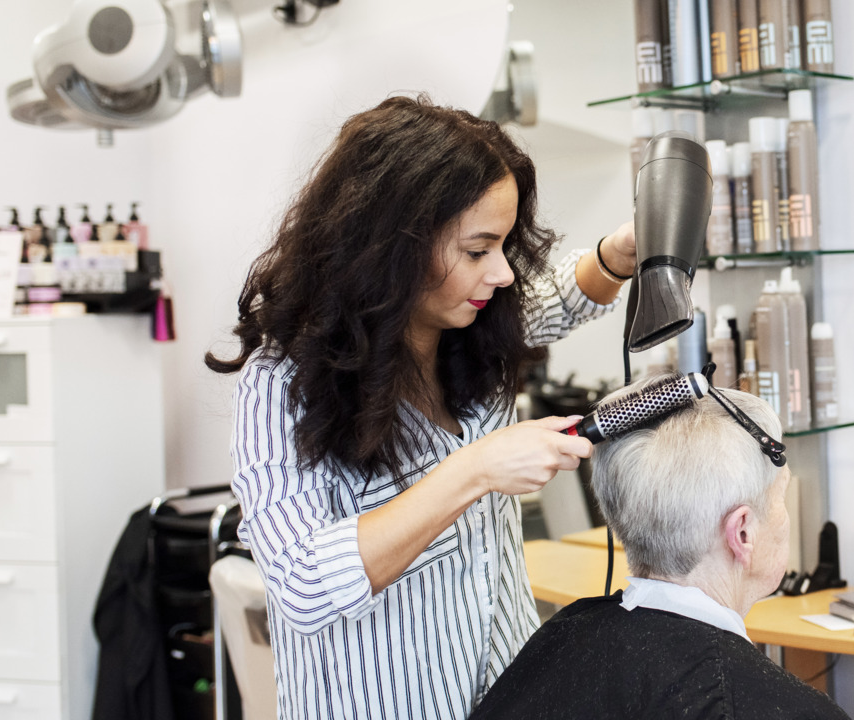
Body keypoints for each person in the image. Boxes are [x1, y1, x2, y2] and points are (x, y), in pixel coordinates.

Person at [204, 95, 637, 718]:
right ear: (390, 247)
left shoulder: (469, 337)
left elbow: (556, 296)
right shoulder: (283, 387)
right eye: (476, 250)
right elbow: (301, 584)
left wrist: (615, 255)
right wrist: (474, 470)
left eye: (505, 247)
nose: (503, 273)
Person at [472, 382, 849, 720]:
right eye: (781, 496)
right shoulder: (771, 707)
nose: (784, 517)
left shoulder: (558, 641)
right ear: (743, 533)